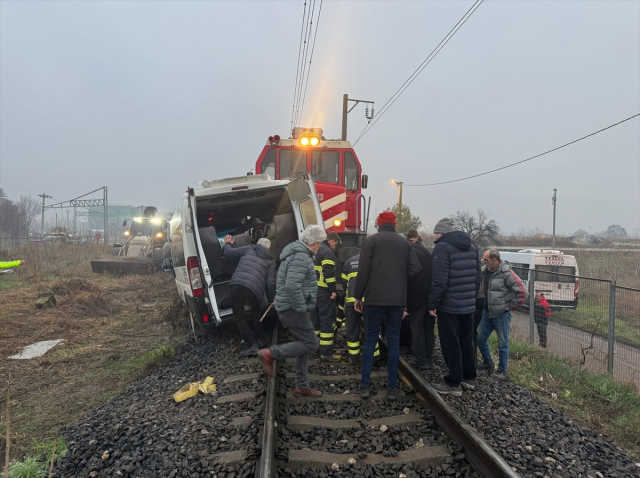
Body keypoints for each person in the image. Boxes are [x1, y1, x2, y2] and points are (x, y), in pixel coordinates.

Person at [354, 211, 421, 400]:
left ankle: (365, 386)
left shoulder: (371, 241)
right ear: (394, 224)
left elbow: (363, 271)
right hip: (397, 300)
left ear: (378, 223)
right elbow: (416, 269)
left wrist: (358, 296)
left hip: (374, 299)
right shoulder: (405, 243)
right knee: (393, 342)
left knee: (370, 340)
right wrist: (400, 280)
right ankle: (391, 389)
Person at [258, 225, 324, 398]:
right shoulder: (301, 257)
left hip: (290, 307)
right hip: (293, 309)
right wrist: (302, 308)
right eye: (321, 243)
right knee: (311, 344)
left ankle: (302, 385)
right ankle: (271, 354)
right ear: (315, 243)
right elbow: (292, 286)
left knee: (303, 344)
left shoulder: (295, 254)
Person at [428, 217, 480, 396]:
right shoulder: (472, 247)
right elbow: (477, 278)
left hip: (449, 306)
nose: (434, 236)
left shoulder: (442, 248)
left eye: (435, 233)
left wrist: (433, 303)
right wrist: (471, 299)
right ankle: (469, 377)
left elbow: (439, 280)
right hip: (468, 306)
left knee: (451, 343)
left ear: (441, 232)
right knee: (467, 341)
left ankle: (453, 382)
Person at [477, 249, 527, 377]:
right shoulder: (484, 272)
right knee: (479, 339)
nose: (484, 262)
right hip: (487, 313)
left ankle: (502, 370)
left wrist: (510, 307)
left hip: (501, 315)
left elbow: (522, 292)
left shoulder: (507, 274)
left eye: (486, 260)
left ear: (494, 260)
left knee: (502, 343)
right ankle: (488, 362)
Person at [223, 236, 275, 356]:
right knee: (256, 313)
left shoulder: (250, 248)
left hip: (238, 284)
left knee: (239, 317)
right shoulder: (271, 261)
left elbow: (229, 253)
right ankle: (260, 338)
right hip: (256, 289)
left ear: (258, 244)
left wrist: (227, 243)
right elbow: (269, 283)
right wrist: (272, 299)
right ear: (269, 248)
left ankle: (252, 344)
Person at [341, 253, 380, 363]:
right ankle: (374, 357)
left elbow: (344, 283)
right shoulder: (373, 261)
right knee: (371, 329)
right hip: (369, 301)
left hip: (351, 301)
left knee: (352, 329)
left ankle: (354, 357)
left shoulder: (349, 262)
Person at [311, 231, 341, 362]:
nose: (335, 246)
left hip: (314, 291)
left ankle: (314, 349)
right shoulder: (327, 252)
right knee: (327, 321)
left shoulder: (316, 251)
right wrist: (333, 290)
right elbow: (328, 272)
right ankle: (326, 353)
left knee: (315, 320)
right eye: (335, 243)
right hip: (324, 292)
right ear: (333, 241)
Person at [406, 236, 434, 369]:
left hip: (416, 295)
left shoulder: (407, 253)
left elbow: (407, 276)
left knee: (417, 328)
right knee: (428, 327)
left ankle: (421, 360)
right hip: (430, 294)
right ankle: (429, 358)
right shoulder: (423, 250)